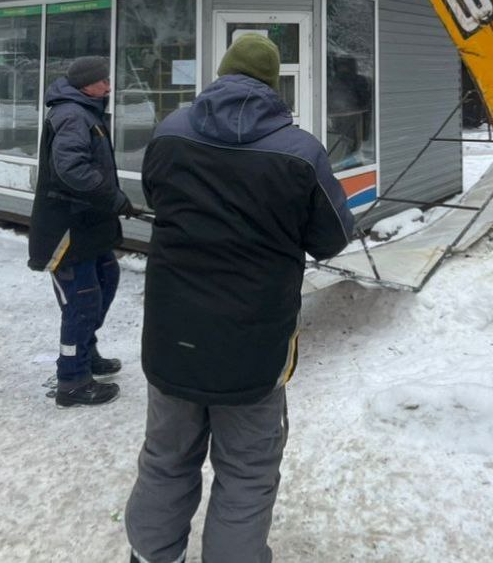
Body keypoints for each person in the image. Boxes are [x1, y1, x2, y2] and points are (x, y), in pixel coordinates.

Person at [125, 34, 354, 563]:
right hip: (253, 346)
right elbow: (332, 237)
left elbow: (155, 196)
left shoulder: (169, 134)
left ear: (222, 73)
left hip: (172, 335)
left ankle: (151, 555)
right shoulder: (300, 154)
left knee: (165, 455)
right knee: (247, 471)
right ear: (274, 85)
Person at [28, 54, 137, 408]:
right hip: (67, 229)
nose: (108, 86)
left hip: (89, 225)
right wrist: (111, 196)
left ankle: (86, 353)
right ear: (85, 85)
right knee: (82, 300)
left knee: (107, 278)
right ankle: (72, 380)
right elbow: (71, 168)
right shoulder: (72, 115)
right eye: (102, 81)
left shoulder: (84, 110)